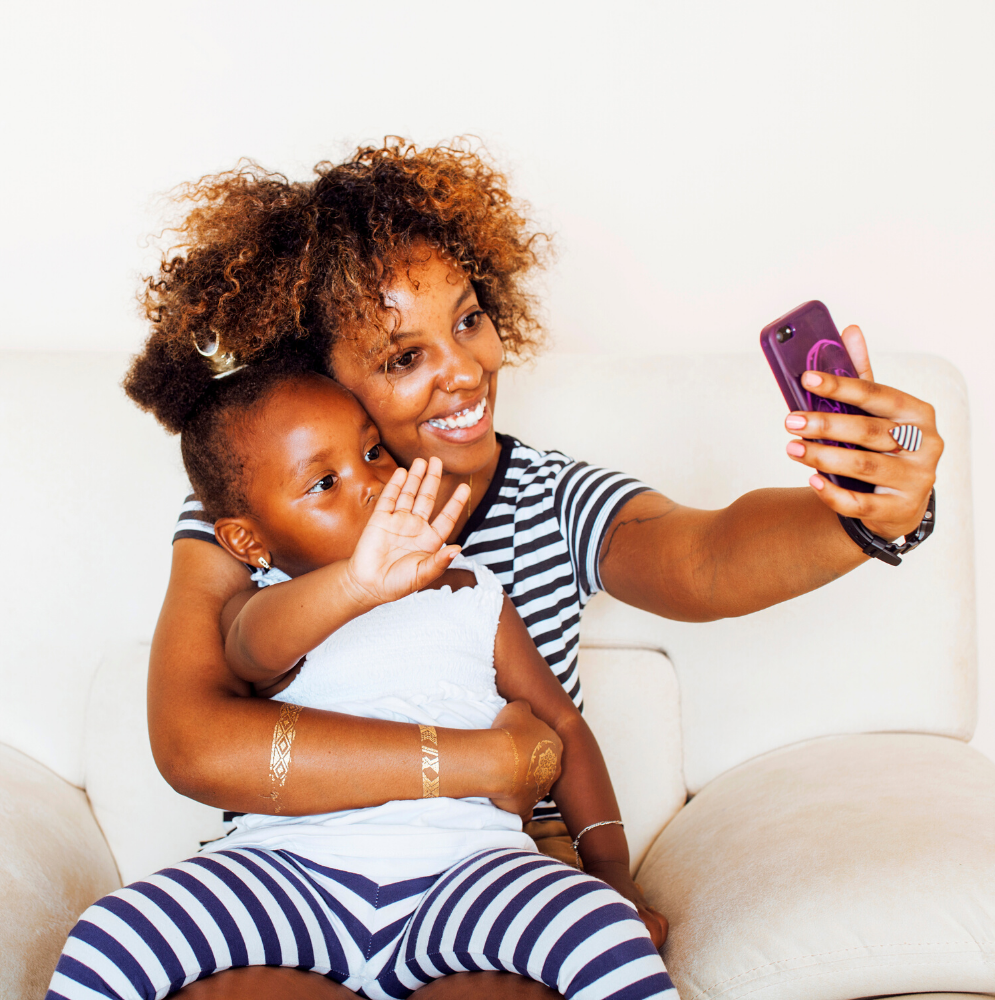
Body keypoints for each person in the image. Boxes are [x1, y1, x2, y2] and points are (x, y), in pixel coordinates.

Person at [75, 140, 942, 999]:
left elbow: (702, 556)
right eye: (402, 356)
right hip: (287, 890)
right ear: (317, 380)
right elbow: (197, 742)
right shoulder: (260, 520)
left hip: (480, 899)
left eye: (468, 318)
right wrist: (480, 763)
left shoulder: (547, 498)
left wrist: (866, 512)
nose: (465, 369)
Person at [47, 360, 675, 1000]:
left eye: (373, 450)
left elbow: (562, 722)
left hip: (468, 869)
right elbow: (249, 653)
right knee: (113, 933)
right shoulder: (266, 605)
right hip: (286, 874)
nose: (372, 482)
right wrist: (357, 586)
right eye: (324, 482)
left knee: (602, 934)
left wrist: (608, 871)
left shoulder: (470, 590)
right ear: (247, 541)